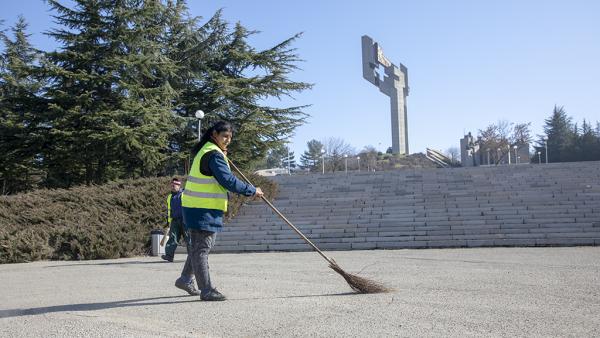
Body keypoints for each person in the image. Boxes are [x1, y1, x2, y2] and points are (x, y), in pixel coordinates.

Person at [177, 121, 263, 301]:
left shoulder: (208, 150)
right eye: (225, 136)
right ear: (214, 134)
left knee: (198, 247)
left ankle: (186, 278)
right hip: (202, 209)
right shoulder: (213, 154)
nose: (228, 140)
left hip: (197, 207)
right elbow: (228, 181)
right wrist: (252, 190)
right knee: (202, 248)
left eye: (230, 138)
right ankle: (206, 290)